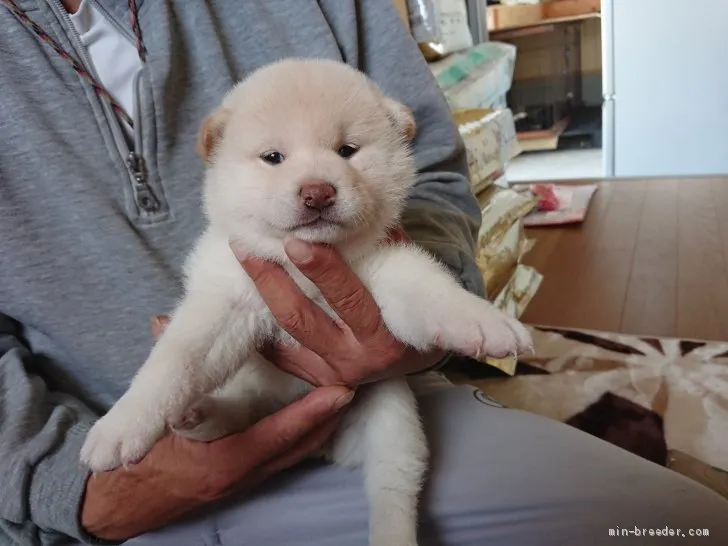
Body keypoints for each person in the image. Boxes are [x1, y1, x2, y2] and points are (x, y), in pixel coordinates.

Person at [0, 0, 726, 544]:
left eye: (347, 152)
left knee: (674, 522)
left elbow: (416, 262)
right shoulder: (231, 255)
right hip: (91, 496)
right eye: (276, 160)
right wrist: (79, 484)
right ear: (218, 154)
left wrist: (444, 323)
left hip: (355, 410)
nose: (316, 185)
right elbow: (192, 348)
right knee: (199, 354)